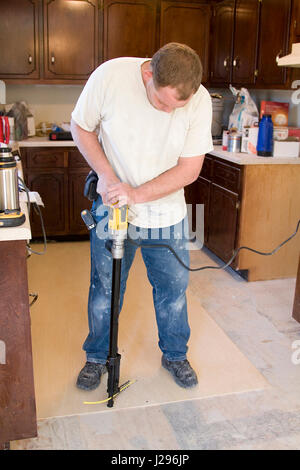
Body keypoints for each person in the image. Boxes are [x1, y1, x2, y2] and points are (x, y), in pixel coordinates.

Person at [70, 42, 213, 391]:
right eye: (163, 102)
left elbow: (190, 168)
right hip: (112, 209)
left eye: (176, 107)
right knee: (105, 288)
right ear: (148, 73)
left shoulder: (200, 99)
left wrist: (137, 194)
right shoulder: (110, 77)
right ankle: (98, 357)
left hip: (168, 213)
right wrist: (106, 176)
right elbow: (81, 127)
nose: (168, 112)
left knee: (174, 290)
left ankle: (175, 354)